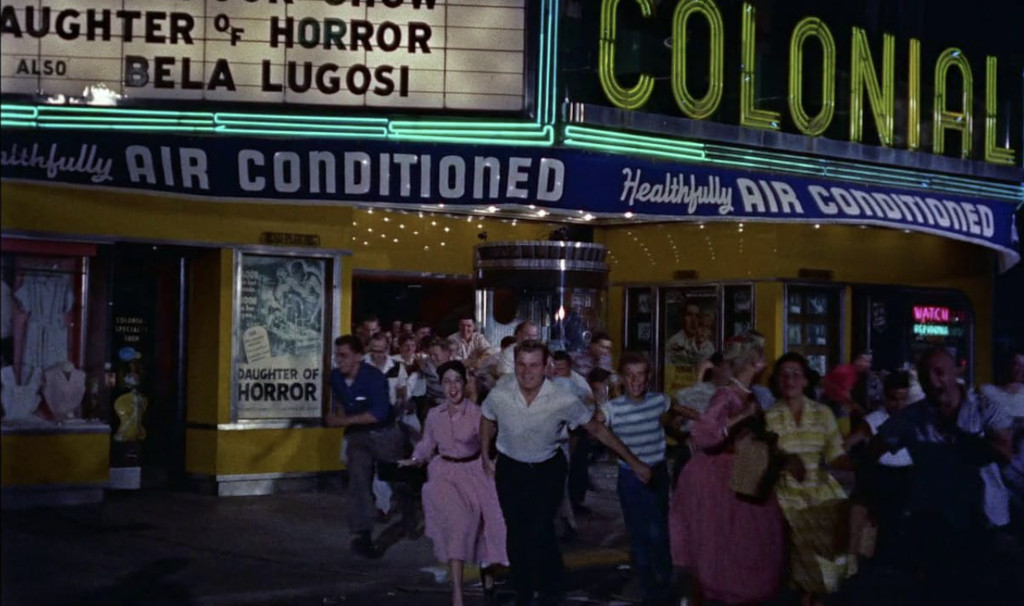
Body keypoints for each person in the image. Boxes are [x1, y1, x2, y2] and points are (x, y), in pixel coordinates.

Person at [480, 340, 652, 606]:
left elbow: (596, 429)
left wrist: (634, 462)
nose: (527, 372)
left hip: (546, 469)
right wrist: (484, 455)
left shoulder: (563, 399)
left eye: (534, 365)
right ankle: (524, 592)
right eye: (521, 365)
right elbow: (487, 418)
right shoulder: (501, 393)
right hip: (511, 468)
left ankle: (551, 589)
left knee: (540, 528)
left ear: (546, 367)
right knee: (515, 531)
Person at [869, 347, 1014, 605]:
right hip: (935, 518)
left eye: (939, 373)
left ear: (955, 371)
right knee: (937, 590)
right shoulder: (911, 417)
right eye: (926, 376)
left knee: (983, 590)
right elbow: (873, 449)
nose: (934, 382)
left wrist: (963, 441)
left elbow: (1005, 452)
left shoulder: (984, 407)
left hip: (984, 517)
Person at [669, 331, 785, 605]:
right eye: (761, 356)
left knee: (745, 542)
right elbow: (704, 433)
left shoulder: (750, 394)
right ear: (753, 361)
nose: (766, 362)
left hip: (743, 470)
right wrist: (742, 417)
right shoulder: (726, 395)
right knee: (724, 542)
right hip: (717, 476)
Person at [398, 361, 507, 606]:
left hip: (475, 474)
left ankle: (488, 573)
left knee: (487, 531)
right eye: (447, 382)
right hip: (445, 476)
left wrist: (493, 462)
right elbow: (427, 443)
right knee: (457, 530)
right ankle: (457, 593)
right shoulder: (434, 415)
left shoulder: (478, 413)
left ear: (465, 384)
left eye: (457, 381)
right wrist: (415, 459)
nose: (452, 387)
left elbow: (494, 443)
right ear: (441, 386)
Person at [765, 352, 850, 604]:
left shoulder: (822, 413)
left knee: (830, 548)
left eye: (796, 374)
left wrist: (863, 464)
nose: (790, 380)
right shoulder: (769, 417)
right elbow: (764, 460)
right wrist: (784, 461)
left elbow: (835, 454)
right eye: (784, 375)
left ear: (806, 380)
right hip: (785, 495)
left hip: (820, 491)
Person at [601, 352, 679, 605]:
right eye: (630, 375)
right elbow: (596, 423)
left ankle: (664, 579)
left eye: (640, 375)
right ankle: (648, 586)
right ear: (622, 379)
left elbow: (674, 410)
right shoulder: (613, 408)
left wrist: (697, 423)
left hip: (657, 472)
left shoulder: (659, 401)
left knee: (659, 529)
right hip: (630, 477)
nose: (635, 381)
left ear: (649, 377)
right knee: (638, 531)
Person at [325, 335, 410, 558]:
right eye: (337, 356)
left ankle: (409, 513)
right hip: (359, 436)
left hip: (384, 434)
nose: (339, 360)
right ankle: (362, 534)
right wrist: (341, 416)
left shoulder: (374, 378)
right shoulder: (336, 377)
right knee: (358, 481)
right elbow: (340, 401)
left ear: (358, 357)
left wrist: (342, 421)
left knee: (395, 478)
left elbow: (377, 414)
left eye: (343, 356)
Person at [843, 371, 913, 569]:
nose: (898, 405)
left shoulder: (914, 419)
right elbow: (848, 443)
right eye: (894, 399)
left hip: (908, 476)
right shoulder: (875, 419)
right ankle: (851, 559)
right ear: (885, 397)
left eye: (903, 399)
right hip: (880, 475)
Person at [822, 351, 873, 435]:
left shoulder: (851, 373)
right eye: (865, 361)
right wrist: (855, 406)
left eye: (869, 362)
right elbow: (842, 393)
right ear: (857, 360)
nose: (867, 365)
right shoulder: (847, 371)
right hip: (832, 403)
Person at [666, 301, 714, 366]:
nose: (693, 320)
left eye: (697, 316)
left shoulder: (707, 344)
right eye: (689, 315)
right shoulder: (673, 343)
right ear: (682, 318)